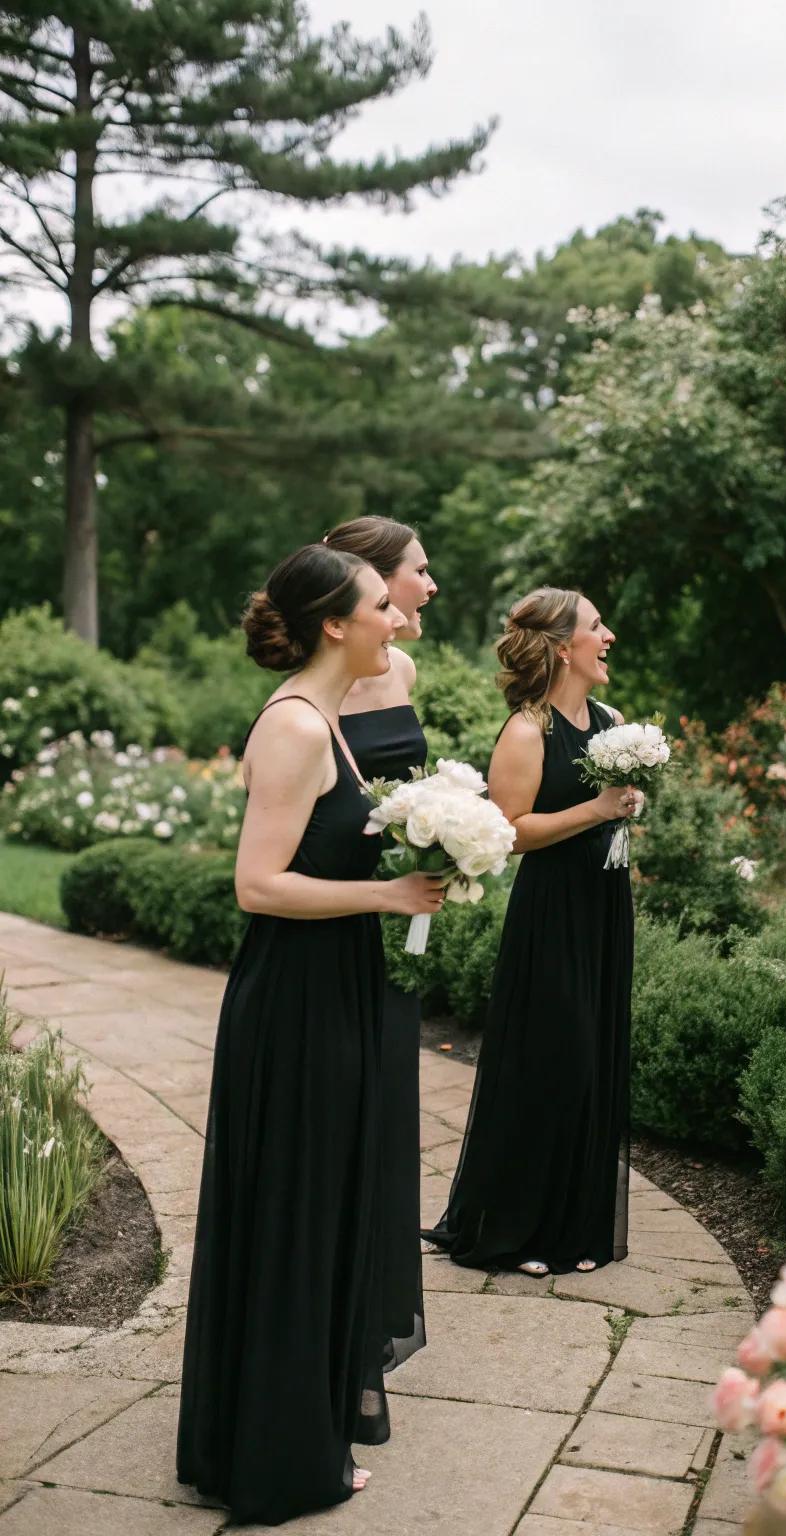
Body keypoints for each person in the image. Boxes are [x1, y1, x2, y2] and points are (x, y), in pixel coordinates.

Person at [177, 543, 444, 1527]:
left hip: (337, 987)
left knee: (322, 1210)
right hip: (293, 1005)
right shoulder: (293, 725)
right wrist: (388, 894)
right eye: (382, 605)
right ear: (335, 623)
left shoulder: (327, 718)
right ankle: (279, 1459)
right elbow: (257, 885)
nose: (397, 619)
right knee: (296, 1215)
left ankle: (287, 1429)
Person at [424, 586, 635, 1277]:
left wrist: (626, 805)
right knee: (554, 1059)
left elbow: (608, 808)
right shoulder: (526, 730)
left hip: (605, 905)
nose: (609, 637)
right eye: (597, 627)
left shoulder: (611, 721)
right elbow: (510, 832)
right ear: (563, 647)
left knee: (594, 1058)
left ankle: (576, 1227)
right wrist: (599, 809)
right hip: (552, 912)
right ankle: (518, 1229)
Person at [323, 514, 437, 1370]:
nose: (429, 587)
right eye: (418, 572)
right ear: (371, 582)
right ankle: (334, 1308)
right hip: (340, 912)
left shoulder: (401, 668)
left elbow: (405, 788)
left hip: (399, 919)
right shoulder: (311, 692)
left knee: (394, 1105)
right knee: (344, 1113)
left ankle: (382, 1300)